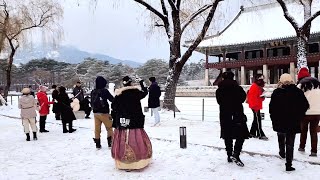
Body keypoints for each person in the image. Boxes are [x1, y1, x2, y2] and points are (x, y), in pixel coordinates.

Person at [111, 76, 152, 171]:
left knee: (122, 140)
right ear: (131, 83)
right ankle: (138, 161)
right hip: (135, 121)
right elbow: (145, 92)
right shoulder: (136, 92)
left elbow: (114, 107)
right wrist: (142, 82)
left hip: (122, 121)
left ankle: (123, 162)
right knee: (135, 140)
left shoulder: (119, 94)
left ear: (123, 84)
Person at [269, 73, 309, 171]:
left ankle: (282, 151)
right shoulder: (298, 92)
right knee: (290, 142)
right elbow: (305, 105)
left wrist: (274, 118)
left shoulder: (276, 92)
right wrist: (299, 115)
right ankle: (289, 163)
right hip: (293, 121)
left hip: (280, 121)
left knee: (281, 135)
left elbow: (271, 108)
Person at [216, 71, 249, 167]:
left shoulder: (219, 89)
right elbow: (243, 98)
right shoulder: (238, 88)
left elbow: (219, 101)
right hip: (237, 114)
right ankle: (236, 153)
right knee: (241, 135)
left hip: (225, 115)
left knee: (227, 135)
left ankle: (229, 154)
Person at [296, 67, 320, 157]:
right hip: (318, 112)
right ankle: (314, 151)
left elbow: (296, 98)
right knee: (314, 132)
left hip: (305, 112)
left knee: (303, 130)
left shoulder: (301, 84)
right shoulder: (317, 83)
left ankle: (302, 146)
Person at [91, 76, 114, 149]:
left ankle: (97, 144)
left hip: (95, 113)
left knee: (97, 129)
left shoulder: (93, 91)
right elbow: (112, 99)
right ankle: (110, 143)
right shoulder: (105, 91)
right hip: (104, 112)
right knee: (109, 128)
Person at [247, 74, 268, 140]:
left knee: (256, 119)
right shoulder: (255, 87)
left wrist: (262, 97)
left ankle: (252, 132)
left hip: (255, 105)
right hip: (255, 106)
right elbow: (254, 98)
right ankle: (260, 134)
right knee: (258, 120)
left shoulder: (256, 86)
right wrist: (262, 97)